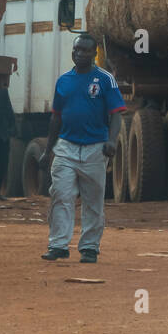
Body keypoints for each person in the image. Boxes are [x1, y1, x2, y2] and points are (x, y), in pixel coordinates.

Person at [41, 33, 124, 264]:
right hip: (66, 147)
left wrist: (112, 140)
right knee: (61, 195)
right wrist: (48, 151)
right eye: (77, 50)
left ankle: (89, 247)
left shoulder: (106, 80)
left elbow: (116, 114)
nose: (80, 54)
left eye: (85, 51)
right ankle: (58, 245)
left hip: (95, 148)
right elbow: (56, 118)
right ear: (72, 52)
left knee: (93, 200)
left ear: (94, 53)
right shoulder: (64, 81)